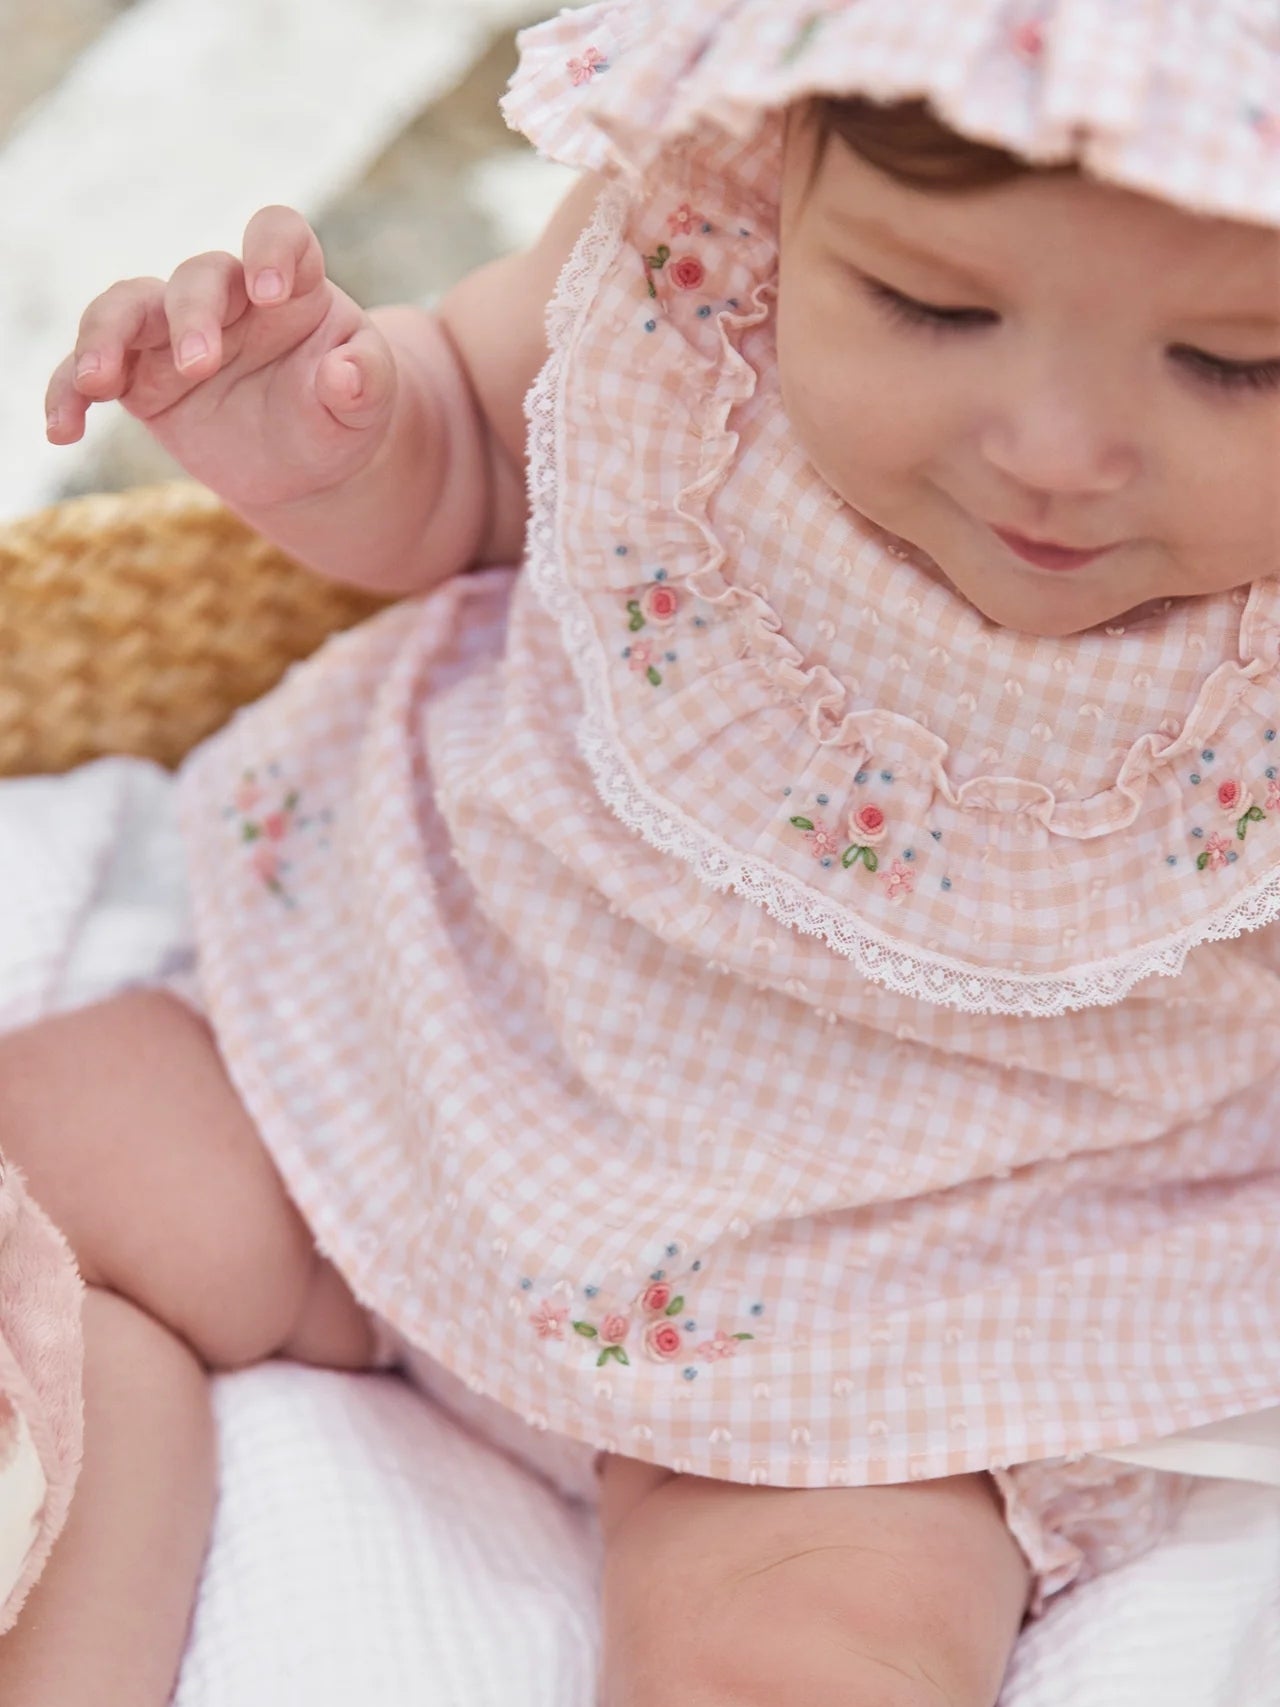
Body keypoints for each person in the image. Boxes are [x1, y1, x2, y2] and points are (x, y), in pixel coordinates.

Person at [4, 0, 1280, 1700]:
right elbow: (462, 450)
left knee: (817, 1653)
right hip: (409, 1031)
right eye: (930, 303)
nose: (1055, 450)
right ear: (789, 172)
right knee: (46, 1163)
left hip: (882, 1331)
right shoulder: (692, 273)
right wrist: (339, 437)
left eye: (1239, 363)